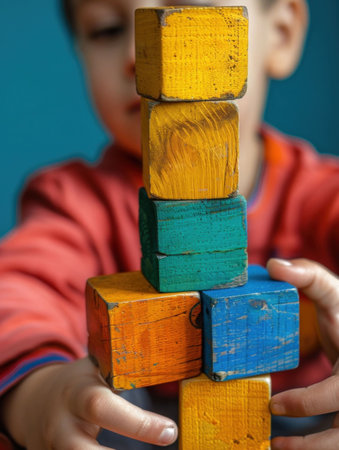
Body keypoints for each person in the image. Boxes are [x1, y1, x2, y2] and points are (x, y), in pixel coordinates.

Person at [0, 0, 338, 449]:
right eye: (106, 29)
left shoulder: (323, 194)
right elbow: (18, 294)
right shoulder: (72, 204)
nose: (145, 50)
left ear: (281, 33)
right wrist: (38, 394)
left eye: (189, 12)